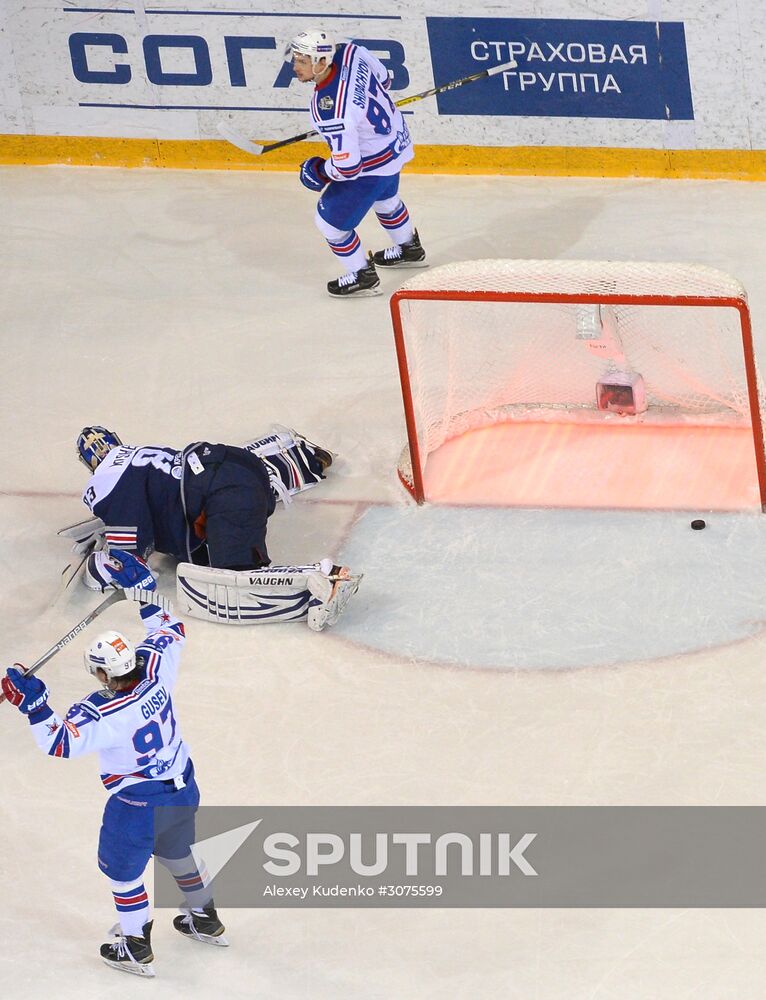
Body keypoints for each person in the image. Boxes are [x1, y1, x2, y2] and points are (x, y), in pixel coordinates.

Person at [1, 552, 224, 978]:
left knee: (124, 875)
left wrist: (33, 703)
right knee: (179, 854)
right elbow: (169, 627)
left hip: (137, 805)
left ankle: (136, 944)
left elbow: (58, 742)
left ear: (103, 674)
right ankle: (205, 915)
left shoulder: (102, 714)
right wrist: (143, 591)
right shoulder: (157, 669)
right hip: (183, 788)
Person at [71, 425, 361, 630]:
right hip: (241, 465)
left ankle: (324, 579)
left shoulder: (107, 482)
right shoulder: (138, 454)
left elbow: (128, 563)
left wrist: (97, 563)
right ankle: (299, 455)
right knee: (234, 499)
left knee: (233, 582)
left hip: (222, 495)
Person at [290, 28, 427, 297]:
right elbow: (385, 80)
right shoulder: (351, 51)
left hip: (372, 165)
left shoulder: (330, 108)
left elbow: (348, 167)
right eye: (295, 58)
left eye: (303, 61)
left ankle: (362, 276)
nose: (296, 66)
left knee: (330, 224)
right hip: (396, 143)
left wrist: (319, 171)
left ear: (321, 62)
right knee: (387, 200)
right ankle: (409, 248)